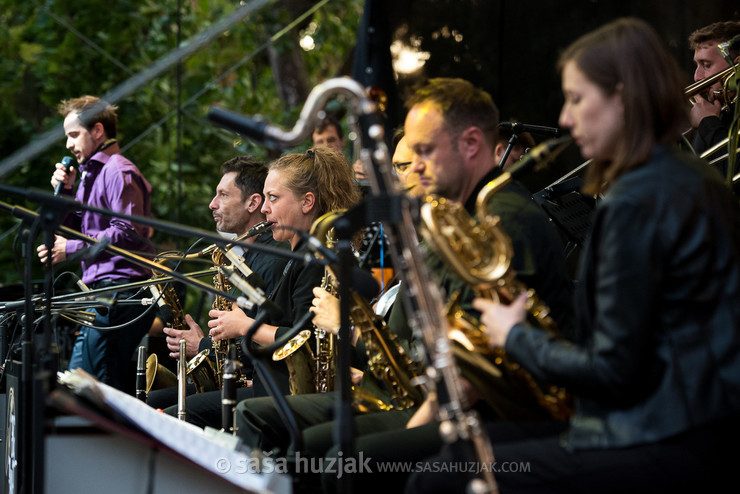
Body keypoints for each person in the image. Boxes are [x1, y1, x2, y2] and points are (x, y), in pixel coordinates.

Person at [407, 18, 740, 494]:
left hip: (653, 439)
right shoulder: (695, 179)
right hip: (697, 429)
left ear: (623, 97)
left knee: (437, 478)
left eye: (577, 98)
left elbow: (612, 371)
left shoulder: (633, 202)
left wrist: (516, 336)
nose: (564, 117)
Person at [171, 147, 361, 429]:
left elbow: (304, 341)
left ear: (307, 202)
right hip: (271, 385)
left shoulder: (314, 260)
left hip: (289, 395)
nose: (264, 208)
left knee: (180, 413)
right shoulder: (297, 257)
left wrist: (244, 326)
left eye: (273, 198)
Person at [145, 156, 289, 416]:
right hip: (237, 374)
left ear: (253, 203)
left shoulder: (271, 259)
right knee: (152, 399)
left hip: (257, 382)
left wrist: (202, 346)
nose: (213, 204)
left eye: (223, 194)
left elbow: (255, 340)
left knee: (164, 409)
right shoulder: (246, 256)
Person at [36, 95, 156, 393]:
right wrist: (65, 192)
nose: (68, 144)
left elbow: (127, 231)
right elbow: (77, 227)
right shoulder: (92, 174)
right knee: (81, 384)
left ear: (98, 131)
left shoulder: (118, 170)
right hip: (105, 292)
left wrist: (70, 249)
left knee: (96, 388)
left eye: (73, 135)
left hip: (120, 290)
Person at [688, 20, 740, 180]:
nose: (697, 77)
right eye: (697, 65)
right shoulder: (719, 108)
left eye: (706, 65)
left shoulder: (710, 118)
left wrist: (708, 122)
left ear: (736, 66)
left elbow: (733, 175)